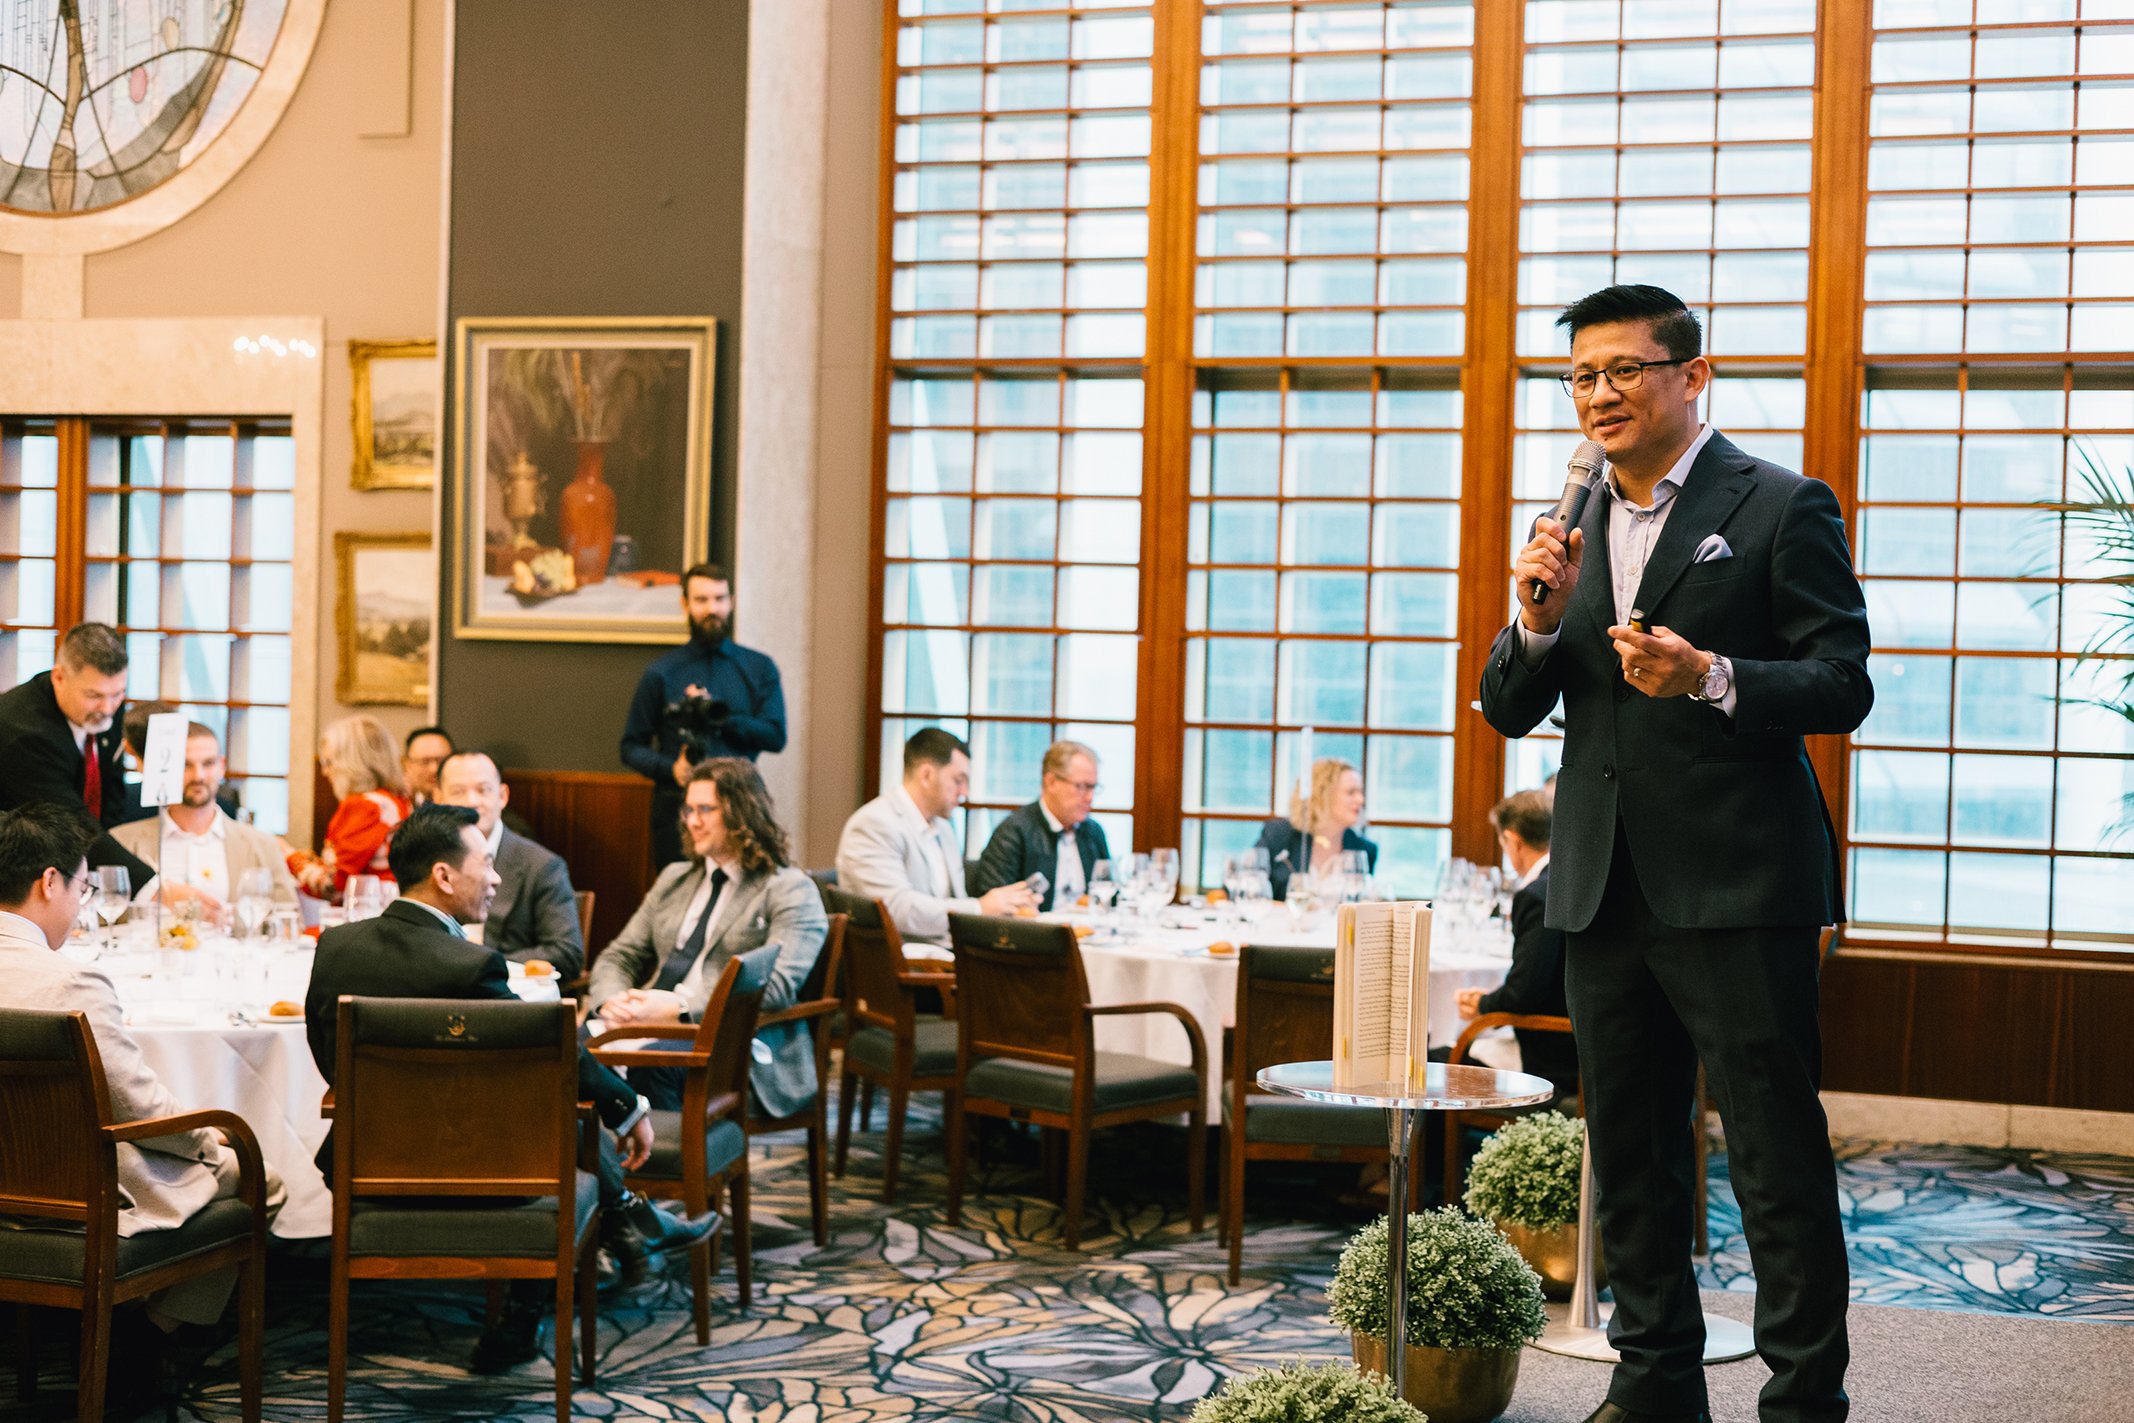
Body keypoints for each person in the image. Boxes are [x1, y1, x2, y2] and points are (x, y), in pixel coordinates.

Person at [1481, 284, 1870, 1423]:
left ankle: (1804, 1400)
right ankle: (1652, 1381)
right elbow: (1510, 706)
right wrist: (1537, 620)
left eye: (1621, 370)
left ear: (1690, 375)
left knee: (1771, 1158)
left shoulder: (1781, 503)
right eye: (1579, 377)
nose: (1597, 395)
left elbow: (1843, 681)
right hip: (1601, 887)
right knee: (1631, 1158)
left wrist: (1708, 674)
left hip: (1740, 886)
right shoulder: (1573, 520)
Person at [303, 804, 718, 1370]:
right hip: (483, 1178)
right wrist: (627, 1104)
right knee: (558, 1119)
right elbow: (549, 1054)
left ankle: (625, 1224)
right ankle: (588, 1256)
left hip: (363, 1168)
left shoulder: (335, 948)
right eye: (487, 863)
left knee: (552, 1115)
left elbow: (329, 1062)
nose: (497, 878)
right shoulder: (470, 966)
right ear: (444, 876)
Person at [0, 803, 286, 1407]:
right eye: (82, 887)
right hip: (82, 1196)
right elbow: (138, 1109)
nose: (80, 906)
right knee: (258, 1175)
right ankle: (145, 1335)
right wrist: (213, 1145)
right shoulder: (69, 983)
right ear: (49, 882)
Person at [588, 758, 827, 1114]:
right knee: (568, 1052)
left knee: (655, 1067)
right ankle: (588, 1165)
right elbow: (619, 955)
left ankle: (662, 1168)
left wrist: (680, 1010)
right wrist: (611, 1002)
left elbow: (774, 987)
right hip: (647, 1020)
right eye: (688, 809)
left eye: (705, 810)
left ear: (741, 813)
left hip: (735, 1042)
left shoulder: (789, 889)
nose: (692, 821)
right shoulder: (676, 878)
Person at [620, 563, 787, 869]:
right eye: (702, 600)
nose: (713, 608)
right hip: (678, 806)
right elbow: (630, 747)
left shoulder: (759, 668)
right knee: (679, 900)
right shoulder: (661, 673)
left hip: (742, 804)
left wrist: (723, 718)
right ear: (685, 604)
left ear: (731, 602)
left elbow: (776, 737)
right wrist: (671, 769)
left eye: (720, 599)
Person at [836, 728, 1035, 944]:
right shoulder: (874, 824)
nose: (964, 792)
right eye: (958, 780)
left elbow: (955, 902)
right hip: (904, 961)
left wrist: (1006, 907)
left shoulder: (944, 827)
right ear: (926, 775)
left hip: (947, 950)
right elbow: (897, 909)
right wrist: (980, 908)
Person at [1450, 790, 1578, 1103]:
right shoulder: (1572, 879)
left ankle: (1452, 1151)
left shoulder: (1536, 895)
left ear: (1514, 840)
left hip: (1552, 1057)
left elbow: (1525, 992)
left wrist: (1482, 1005)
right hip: (1579, 1042)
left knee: (1441, 1060)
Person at [0, 622, 152, 883]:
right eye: (94, 695)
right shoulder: (23, 731)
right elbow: (70, 825)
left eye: (117, 694)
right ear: (59, 677)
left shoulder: (103, 710)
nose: (107, 708)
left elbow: (111, 798)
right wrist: (152, 885)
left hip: (76, 869)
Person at [111, 721, 299, 914]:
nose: (198, 776)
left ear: (222, 766)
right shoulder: (123, 842)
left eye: (208, 763)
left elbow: (289, 923)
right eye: (186, 765)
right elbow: (101, 918)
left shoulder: (262, 845)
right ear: (166, 769)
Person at [432, 749, 584, 979]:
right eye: (458, 791)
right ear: (438, 798)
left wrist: (483, 963)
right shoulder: (427, 856)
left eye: (483, 790)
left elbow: (567, 952)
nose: (472, 802)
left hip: (506, 996)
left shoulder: (541, 865)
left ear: (502, 796)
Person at [971, 740, 1112, 913]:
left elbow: (1109, 893)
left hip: (1090, 933)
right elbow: (993, 904)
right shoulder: (1014, 832)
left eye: (1094, 787)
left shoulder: (1093, 832)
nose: (1090, 797)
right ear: (1051, 782)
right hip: (1037, 935)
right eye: (1082, 787)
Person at [287, 714, 411, 901]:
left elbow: (333, 885)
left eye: (329, 763)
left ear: (353, 763)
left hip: (368, 916)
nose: (325, 772)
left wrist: (288, 855)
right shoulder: (398, 801)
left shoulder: (364, 806)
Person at [1253, 757, 1378, 903]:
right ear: (1323, 795)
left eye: (1361, 792)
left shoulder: (1364, 850)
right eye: (1351, 792)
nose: (1360, 800)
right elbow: (1247, 888)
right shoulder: (1280, 834)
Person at [401, 725, 455, 806]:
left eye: (441, 761)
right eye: (424, 761)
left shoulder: (471, 802)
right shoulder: (395, 806)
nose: (434, 769)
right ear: (407, 765)